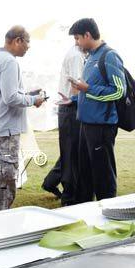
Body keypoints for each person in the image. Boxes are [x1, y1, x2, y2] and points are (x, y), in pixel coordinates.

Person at [0, 26, 46, 213]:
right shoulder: (9, 62)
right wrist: (34, 100)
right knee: (6, 179)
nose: (29, 46)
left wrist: (27, 94)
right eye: (27, 41)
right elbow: (10, 98)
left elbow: (6, 94)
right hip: (6, 128)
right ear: (17, 40)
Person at [69, 18, 125, 202]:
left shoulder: (109, 56)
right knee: (85, 172)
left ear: (87, 35)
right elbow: (88, 89)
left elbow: (118, 91)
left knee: (103, 174)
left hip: (101, 126)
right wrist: (73, 99)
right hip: (86, 123)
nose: (76, 43)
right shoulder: (90, 57)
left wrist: (88, 89)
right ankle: (84, 211)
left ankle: (108, 210)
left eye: (77, 38)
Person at [42, 42, 85, 205]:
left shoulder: (76, 54)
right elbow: (76, 86)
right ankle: (69, 196)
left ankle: (51, 182)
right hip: (72, 106)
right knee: (72, 153)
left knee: (70, 152)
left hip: (70, 107)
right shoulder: (76, 56)